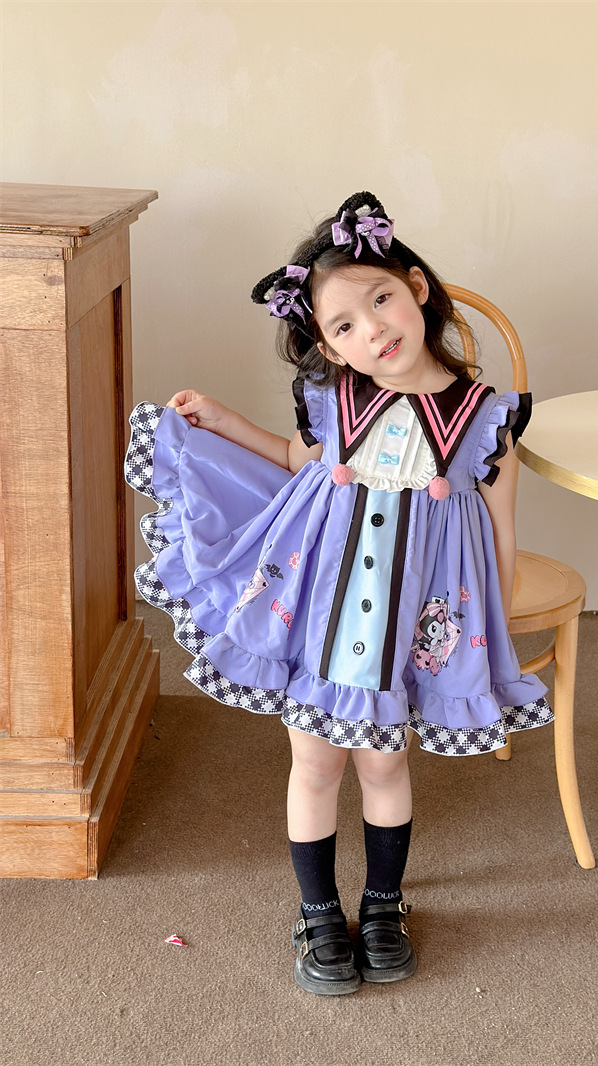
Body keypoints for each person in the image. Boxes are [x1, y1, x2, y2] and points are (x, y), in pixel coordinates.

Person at [124, 191, 552, 996]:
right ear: (328, 347)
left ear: (416, 288)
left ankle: (383, 905)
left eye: (380, 300)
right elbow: (299, 462)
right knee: (314, 761)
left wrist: (485, 635)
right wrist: (222, 421)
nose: (373, 331)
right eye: (344, 327)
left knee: (385, 764)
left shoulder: (485, 418)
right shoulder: (337, 401)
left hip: (411, 621)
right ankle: (318, 912)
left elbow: (499, 534)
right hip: (321, 609)